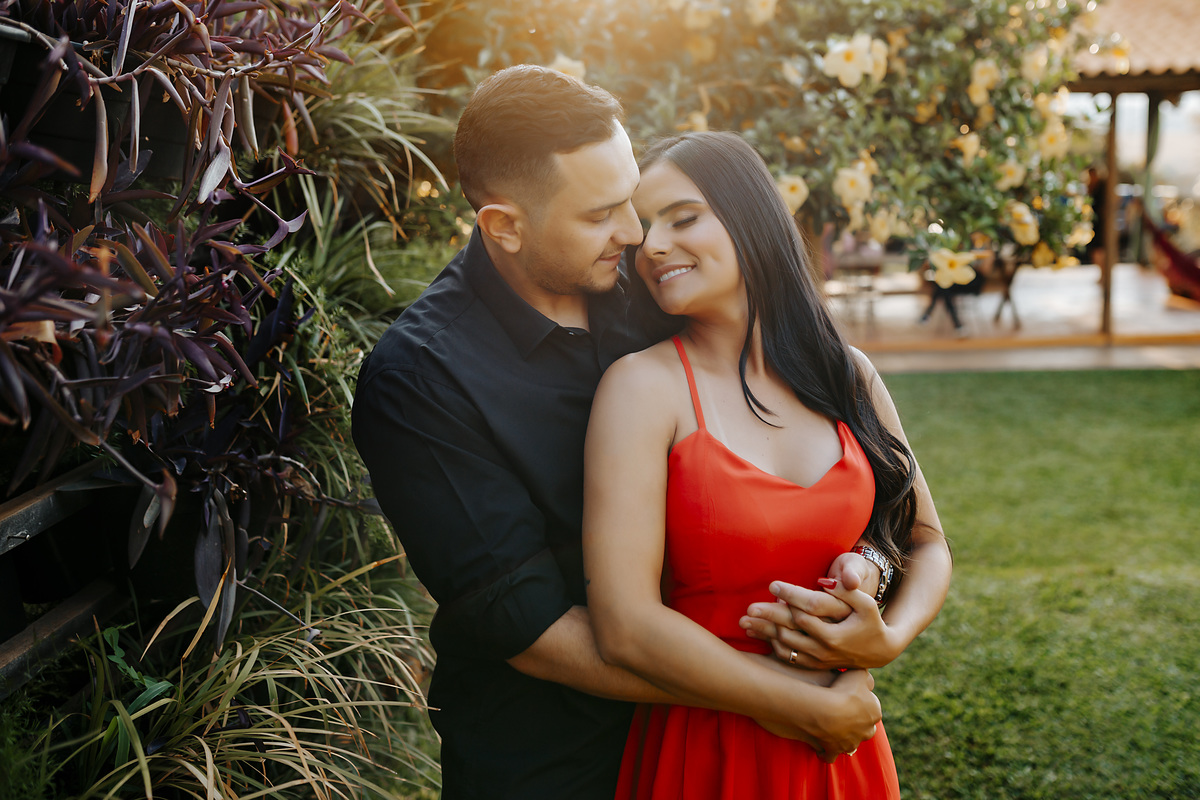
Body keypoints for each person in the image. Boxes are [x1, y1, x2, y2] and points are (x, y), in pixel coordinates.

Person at [352, 68, 882, 799]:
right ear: (504, 225)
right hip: (552, 758)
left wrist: (866, 583)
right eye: (602, 213)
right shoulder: (418, 378)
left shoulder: (653, 287)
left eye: (631, 201)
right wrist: (789, 700)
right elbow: (528, 629)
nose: (635, 234)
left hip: (720, 739)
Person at [583, 131, 953, 798]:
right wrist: (797, 704)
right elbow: (625, 626)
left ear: (749, 213)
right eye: (646, 230)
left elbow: (925, 541)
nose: (654, 245)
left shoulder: (846, 374)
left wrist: (885, 639)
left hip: (843, 748)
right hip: (706, 748)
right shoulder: (641, 388)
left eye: (684, 216)